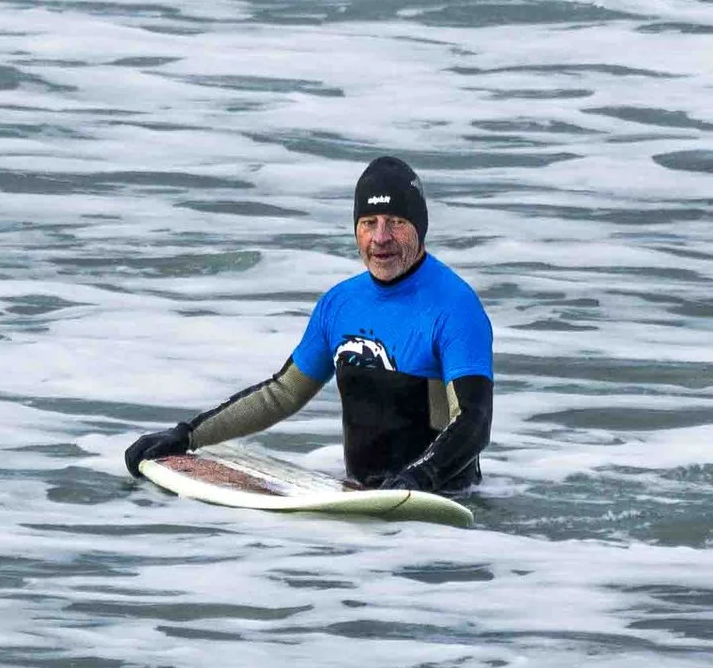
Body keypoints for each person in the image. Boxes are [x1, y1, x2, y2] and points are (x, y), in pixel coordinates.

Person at [125, 156, 494, 493]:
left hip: (443, 507)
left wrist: (416, 481)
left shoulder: (454, 306)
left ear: (420, 227)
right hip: (361, 501)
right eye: (369, 223)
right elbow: (281, 395)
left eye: (396, 222)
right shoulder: (339, 305)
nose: (381, 238)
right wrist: (187, 435)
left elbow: (472, 422)